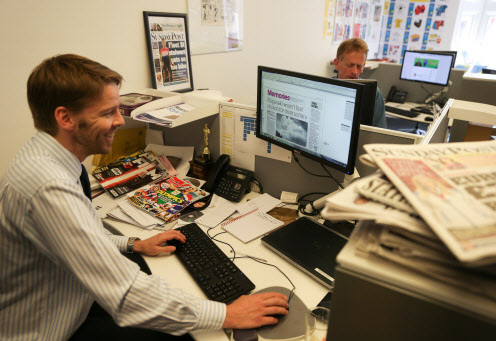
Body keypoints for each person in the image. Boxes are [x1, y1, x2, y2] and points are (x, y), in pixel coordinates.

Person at [0, 54, 288, 340]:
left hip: (72, 301)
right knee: (188, 336)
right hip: (52, 328)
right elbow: (124, 292)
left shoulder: (46, 159)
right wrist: (227, 314)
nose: (118, 121)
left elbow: (78, 238)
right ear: (64, 117)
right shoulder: (49, 186)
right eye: (106, 113)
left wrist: (133, 243)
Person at [333, 37, 387, 129]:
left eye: (359, 66)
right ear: (337, 63)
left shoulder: (373, 93)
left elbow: (379, 131)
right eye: (350, 65)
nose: (354, 71)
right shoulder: (325, 87)